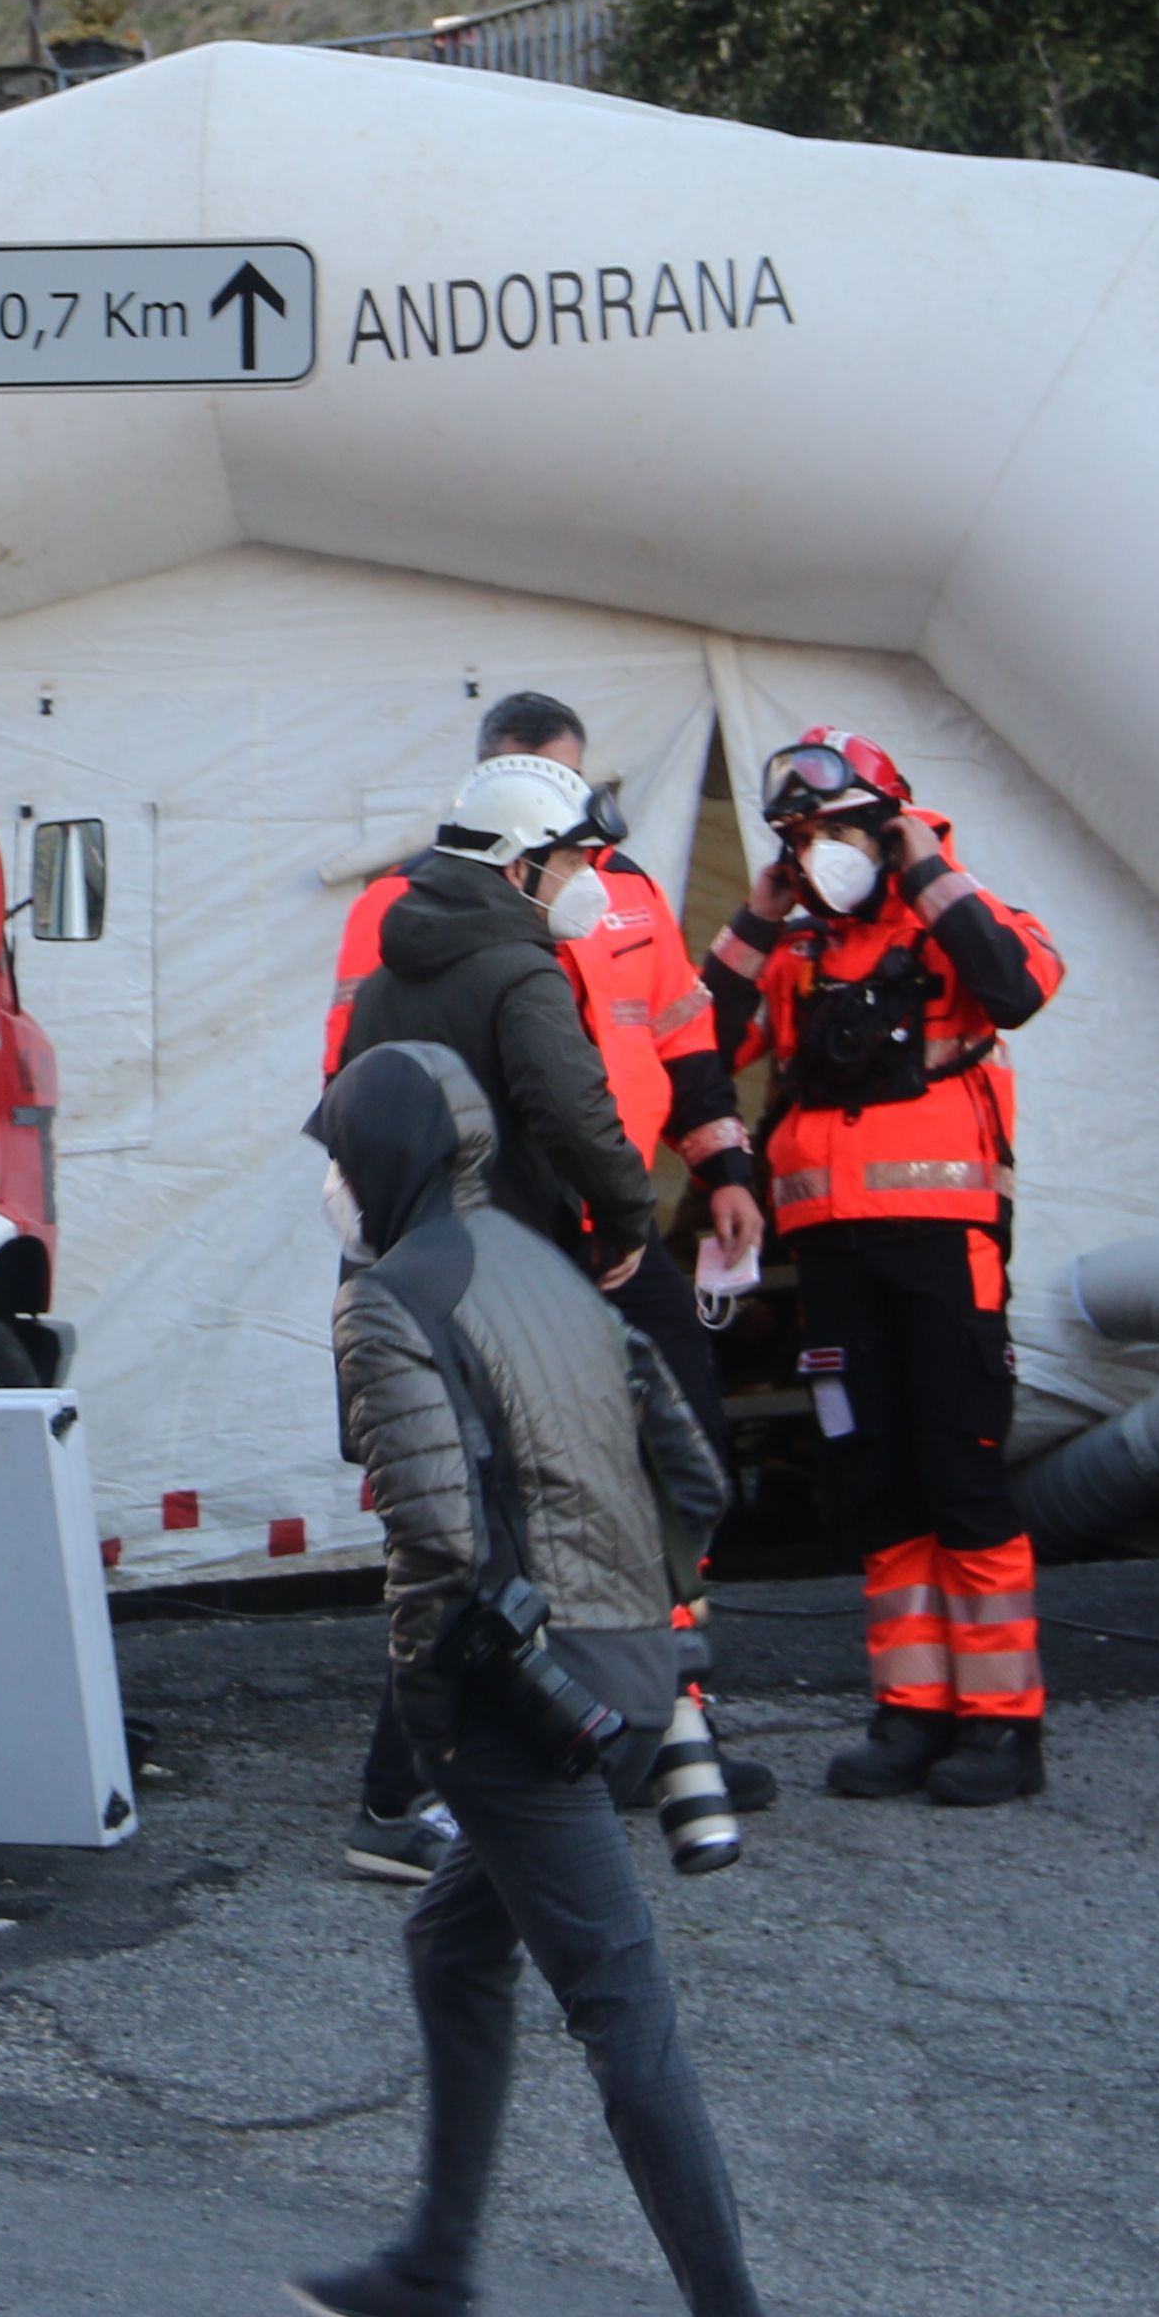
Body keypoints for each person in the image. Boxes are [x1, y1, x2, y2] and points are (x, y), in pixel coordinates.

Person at [283, 1040, 794, 2317]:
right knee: (454, 1944)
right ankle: (435, 2276)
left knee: (620, 2004)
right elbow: (690, 1462)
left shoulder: (391, 1296)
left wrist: (460, 1685)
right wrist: (659, 1617)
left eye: (337, 1160)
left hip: (520, 1704)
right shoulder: (539, 1262)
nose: (330, 1186)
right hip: (626, 1666)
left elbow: (436, 1530)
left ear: (381, 1161)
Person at [326, 693, 771, 1870]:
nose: (592, 875)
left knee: (480, 1535)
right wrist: (624, 1221)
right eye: (573, 856)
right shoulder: (519, 967)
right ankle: (410, 1796)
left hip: (424, 1279)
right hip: (520, 1275)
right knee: (505, 1536)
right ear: (525, 861)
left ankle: (557, 1752)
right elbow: (572, 1111)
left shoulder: (398, 956)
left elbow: (347, 1116)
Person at [706, 728, 1066, 1806]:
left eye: (836, 830)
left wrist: (922, 862)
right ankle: (910, 1711)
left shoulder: (958, 915)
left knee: (961, 1473)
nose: (821, 852)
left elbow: (1019, 988)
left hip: (944, 1246)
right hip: (832, 1252)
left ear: (887, 823)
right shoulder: (798, 947)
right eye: (801, 836)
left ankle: (1003, 1727)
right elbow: (695, 1047)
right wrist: (760, 911)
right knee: (873, 1485)